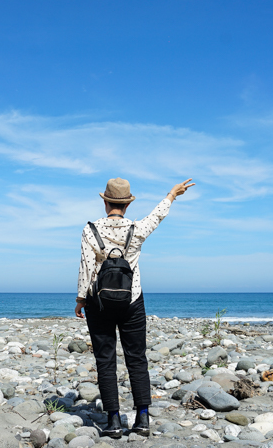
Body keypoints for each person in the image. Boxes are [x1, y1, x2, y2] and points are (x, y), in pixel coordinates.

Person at [76, 177, 195, 438]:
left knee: (105, 361)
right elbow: (157, 216)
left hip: (99, 303)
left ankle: (114, 421)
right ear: (127, 205)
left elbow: (86, 268)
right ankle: (142, 419)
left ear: (106, 202)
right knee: (137, 358)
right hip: (132, 299)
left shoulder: (90, 230)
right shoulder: (137, 228)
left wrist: (81, 300)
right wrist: (171, 195)